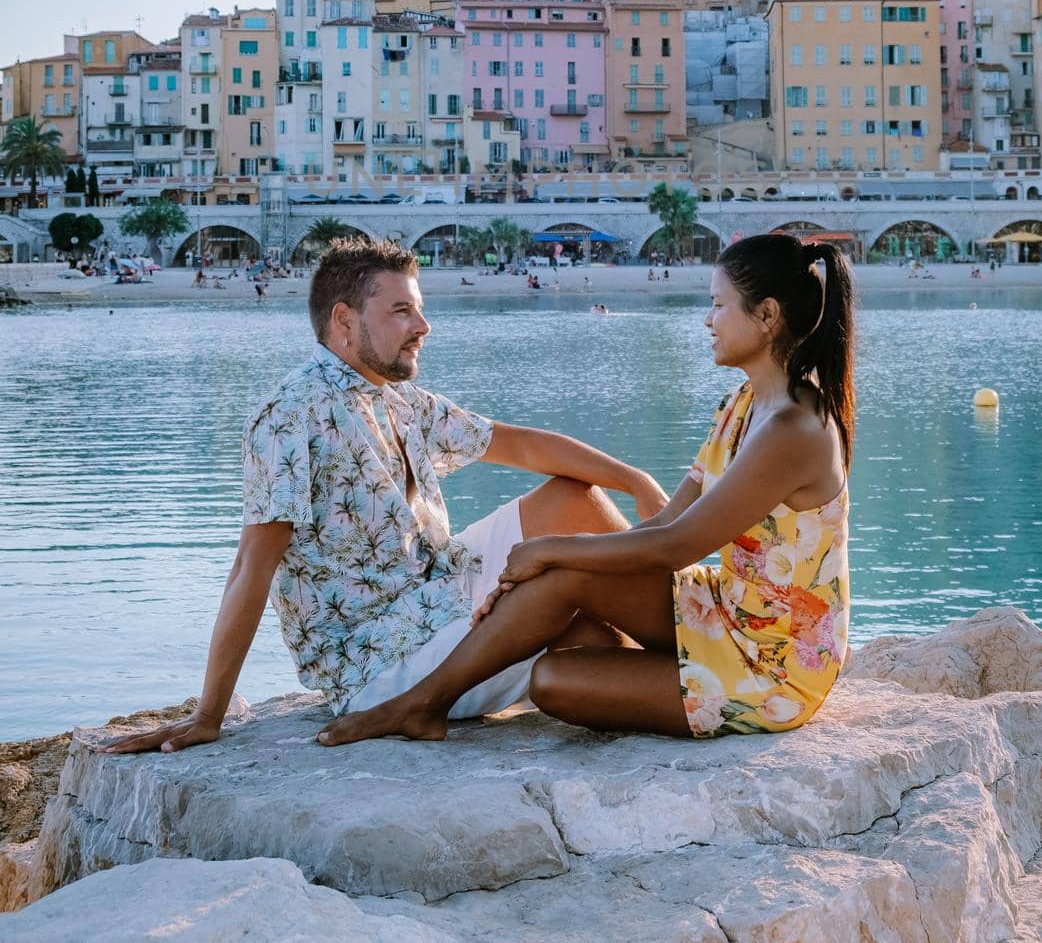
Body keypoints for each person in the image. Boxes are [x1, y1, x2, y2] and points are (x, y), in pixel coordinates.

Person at [102, 238, 666, 757]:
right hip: (379, 659)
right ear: (344, 321)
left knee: (574, 498)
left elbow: (517, 445)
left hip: (433, 592)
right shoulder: (290, 417)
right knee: (588, 629)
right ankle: (698, 659)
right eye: (401, 311)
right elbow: (252, 569)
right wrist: (209, 714)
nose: (423, 326)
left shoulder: (397, 399)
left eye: (417, 308)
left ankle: (698, 636)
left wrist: (636, 480)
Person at [316, 234, 853, 746]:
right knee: (563, 578)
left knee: (552, 680)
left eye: (719, 306)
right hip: (727, 608)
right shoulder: (742, 405)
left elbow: (677, 547)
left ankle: (421, 701)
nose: (707, 320)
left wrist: (545, 549)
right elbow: (662, 525)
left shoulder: (794, 430)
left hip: (773, 664)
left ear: (767, 316)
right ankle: (421, 705)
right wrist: (550, 565)